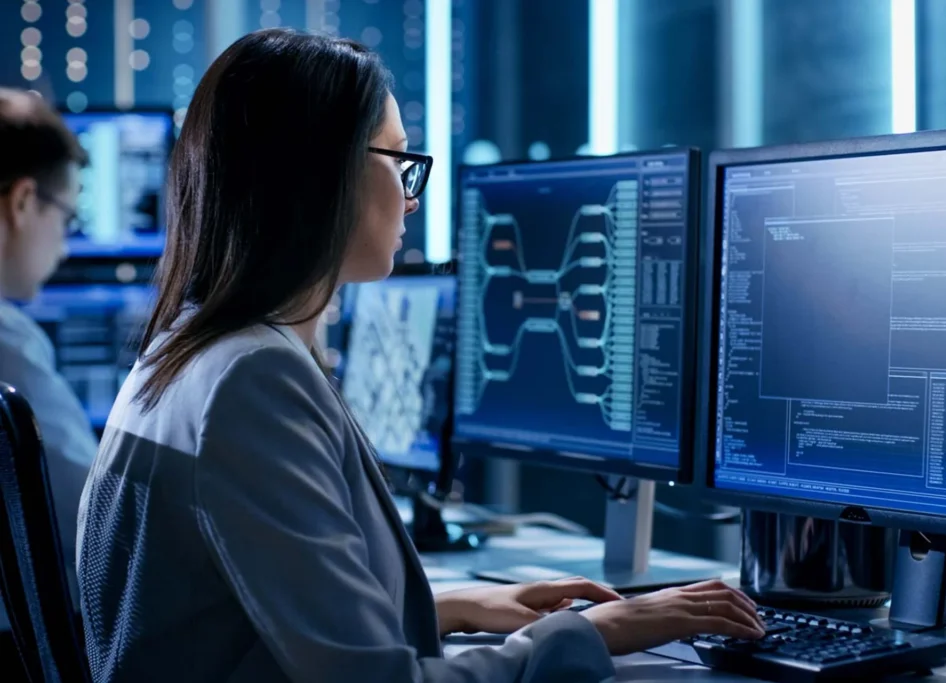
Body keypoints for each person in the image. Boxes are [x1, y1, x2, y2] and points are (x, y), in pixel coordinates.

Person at [76, 29, 764, 683]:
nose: (410, 199)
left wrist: (451, 603)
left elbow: (241, 616)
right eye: (398, 161)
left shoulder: (182, 352)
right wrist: (593, 631)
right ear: (321, 175)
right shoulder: (251, 379)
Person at [0, 88, 95, 663]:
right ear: (22, 202)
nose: (64, 246)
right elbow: (96, 517)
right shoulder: (6, 343)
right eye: (68, 216)